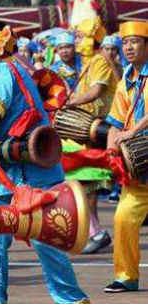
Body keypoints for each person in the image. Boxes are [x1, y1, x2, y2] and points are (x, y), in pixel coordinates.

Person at [0, 25, 89, 304]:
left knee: (46, 239)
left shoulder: (4, 71)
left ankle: (72, 300)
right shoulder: (9, 70)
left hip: (29, 172)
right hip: (11, 171)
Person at [53, 22, 119, 254]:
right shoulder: (85, 63)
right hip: (90, 130)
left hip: (105, 127)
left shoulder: (99, 60)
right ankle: (94, 232)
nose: (75, 40)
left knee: (90, 181)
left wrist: (71, 103)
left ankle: (96, 232)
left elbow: (97, 92)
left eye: (79, 36)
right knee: (84, 182)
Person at [104, 21, 148, 294]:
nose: (129, 48)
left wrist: (132, 132)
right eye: (126, 43)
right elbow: (115, 122)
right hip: (140, 162)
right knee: (123, 218)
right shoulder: (125, 81)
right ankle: (126, 276)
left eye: (135, 42)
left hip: (139, 142)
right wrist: (111, 152)